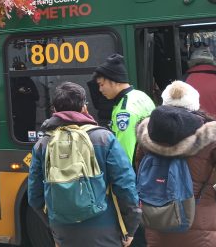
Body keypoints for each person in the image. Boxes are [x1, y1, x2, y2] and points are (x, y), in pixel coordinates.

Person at [28, 82, 141, 247]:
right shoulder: (104, 138)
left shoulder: (43, 144)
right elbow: (125, 186)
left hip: (63, 232)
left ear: (54, 111)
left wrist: (54, 226)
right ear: (84, 108)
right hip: (105, 229)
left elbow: (34, 197)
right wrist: (130, 228)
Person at [135, 101, 216, 247]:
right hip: (200, 232)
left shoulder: (148, 134)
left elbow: (140, 167)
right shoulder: (210, 137)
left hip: (157, 225)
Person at [162, 79, 216, 247]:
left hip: (160, 216)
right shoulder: (210, 133)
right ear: (195, 104)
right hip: (202, 217)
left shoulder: (147, 132)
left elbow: (141, 169)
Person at [93, 54, 156, 163]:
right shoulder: (142, 96)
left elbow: (124, 156)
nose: (100, 89)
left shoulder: (124, 111)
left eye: (102, 84)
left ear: (114, 81)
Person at [10, 60, 39, 141]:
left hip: (30, 114)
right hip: (17, 114)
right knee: (19, 134)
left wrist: (29, 92)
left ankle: (31, 143)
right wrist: (18, 91)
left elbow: (37, 97)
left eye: (24, 70)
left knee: (31, 134)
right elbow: (7, 97)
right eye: (20, 70)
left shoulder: (29, 81)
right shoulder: (11, 82)